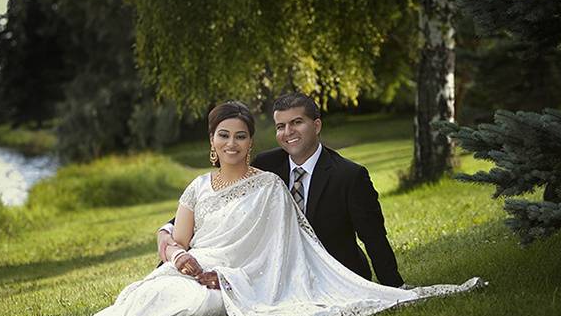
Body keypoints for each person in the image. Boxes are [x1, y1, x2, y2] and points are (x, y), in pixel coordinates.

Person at [19, 102, 484, 316]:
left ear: (314, 126)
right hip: (194, 264)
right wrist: (176, 252)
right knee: (146, 293)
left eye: (242, 136)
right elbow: (182, 230)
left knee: (188, 301)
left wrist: (393, 286)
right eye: (225, 135)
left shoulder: (287, 181)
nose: (234, 144)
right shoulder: (211, 182)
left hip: (275, 271)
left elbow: (360, 239)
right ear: (212, 141)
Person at [158, 91, 404, 286]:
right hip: (273, 268)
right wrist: (168, 230)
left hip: (332, 268)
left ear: (316, 125)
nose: (288, 133)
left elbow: (373, 237)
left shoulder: (349, 176)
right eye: (280, 126)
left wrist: (393, 284)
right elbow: (221, 200)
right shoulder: (266, 164)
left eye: (297, 123)